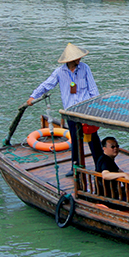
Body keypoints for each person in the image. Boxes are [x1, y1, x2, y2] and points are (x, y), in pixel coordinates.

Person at [27, 43, 99, 176]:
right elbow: (47, 85)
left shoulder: (85, 68)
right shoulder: (60, 72)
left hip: (86, 110)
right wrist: (33, 96)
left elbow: (93, 88)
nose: (79, 60)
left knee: (93, 138)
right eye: (76, 58)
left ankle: (99, 165)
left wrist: (97, 105)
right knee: (75, 139)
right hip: (71, 111)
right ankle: (76, 167)